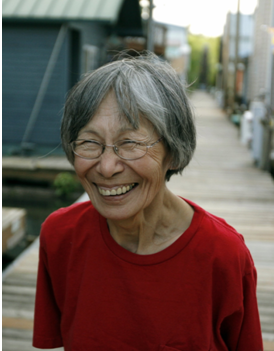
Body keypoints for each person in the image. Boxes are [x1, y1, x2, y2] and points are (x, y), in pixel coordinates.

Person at [33, 53, 263, 351]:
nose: (106, 167)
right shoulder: (60, 236)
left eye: (130, 143)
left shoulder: (223, 256)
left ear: (173, 149)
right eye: (89, 142)